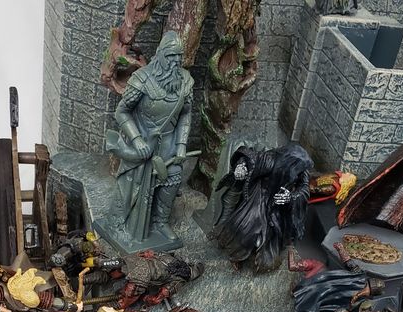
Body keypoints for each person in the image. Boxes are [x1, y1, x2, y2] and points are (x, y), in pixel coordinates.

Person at [108, 31, 193, 243]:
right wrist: (137, 140)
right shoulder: (142, 79)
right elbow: (122, 112)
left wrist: (181, 144)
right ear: (161, 54)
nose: (176, 61)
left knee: (173, 177)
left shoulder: (185, 81)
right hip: (144, 142)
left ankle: (160, 222)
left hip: (169, 143)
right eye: (171, 55)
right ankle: (123, 223)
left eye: (179, 56)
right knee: (133, 185)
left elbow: (186, 114)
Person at [211, 142, 313, 273]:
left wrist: (291, 197)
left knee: (269, 244)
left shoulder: (301, 170)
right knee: (245, 230)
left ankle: (258, 253)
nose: (301, 170)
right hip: (259, 198)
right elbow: (252, 158)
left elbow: (304, 188)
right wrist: (242, 166)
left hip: (276, 207)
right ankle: (236, 255)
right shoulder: (271, 160)